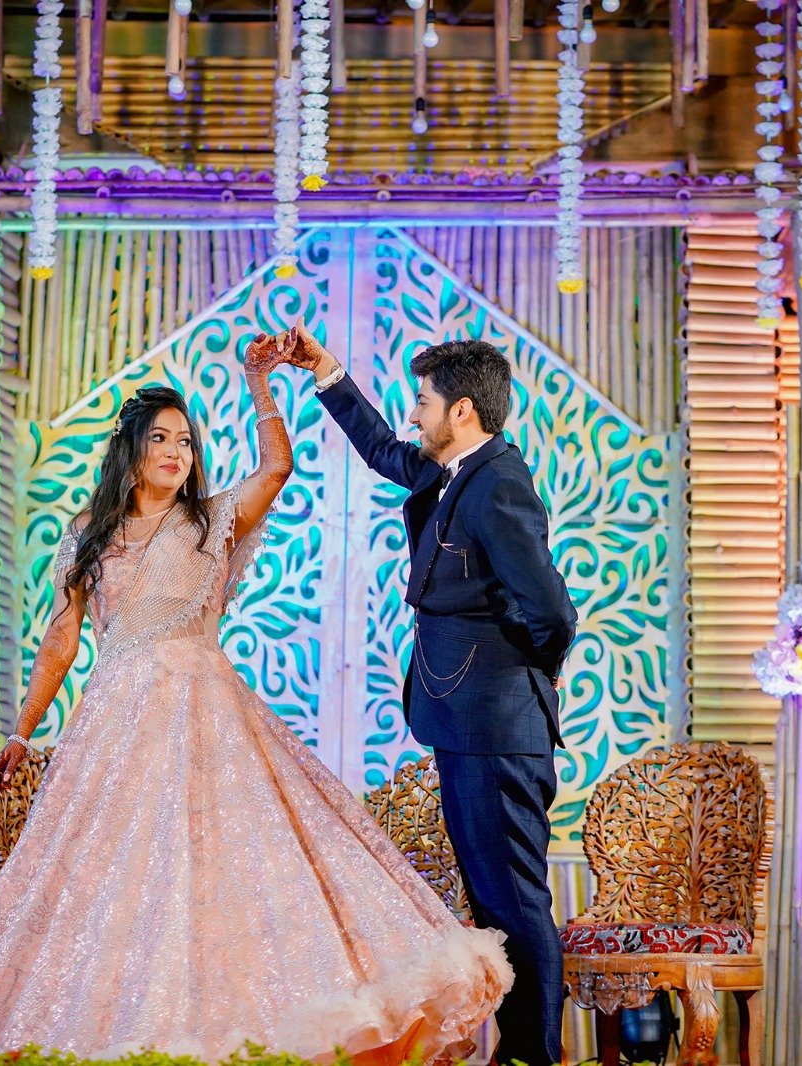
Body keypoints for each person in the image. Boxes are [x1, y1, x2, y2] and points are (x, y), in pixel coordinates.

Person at [0, 333, 509, 1066]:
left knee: (213, 878)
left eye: (185, 441)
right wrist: (22, 731)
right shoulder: (87, 534)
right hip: (117, 728)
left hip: (208, 723)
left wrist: (258, 383)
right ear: (131, 450)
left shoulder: (209, 520)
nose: (176, 451)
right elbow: (61, 640)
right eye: (161, 438)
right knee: (111, 890)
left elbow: (277, 468)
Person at [284, 327, 578, 1066]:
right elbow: (384, 451)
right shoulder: (454, 472)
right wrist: (327, 372)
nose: (414, 414)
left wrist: (524, 676)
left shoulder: (498, 484)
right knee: (493, 903)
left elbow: (551, 612)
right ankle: (516, 1052)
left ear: (463, 411)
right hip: (463, 720)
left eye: (423, 401)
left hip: (497, 724)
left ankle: (535, 1057)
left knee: (516, 901)